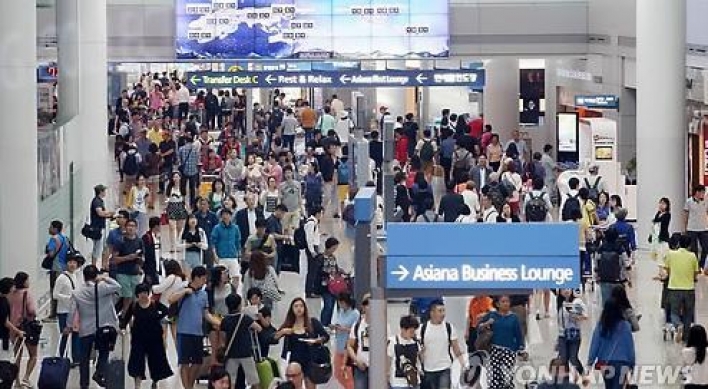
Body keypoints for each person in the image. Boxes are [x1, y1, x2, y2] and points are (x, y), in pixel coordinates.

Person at [67, 265, 122, 389]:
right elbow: (118, 286)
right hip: (103, 328)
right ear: (96, 276)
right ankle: (99, 372)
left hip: (85, 329)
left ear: (84, 276)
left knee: (84, 358)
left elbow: (72, 311)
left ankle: (84, 384)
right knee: (104, 352)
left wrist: (69, 326)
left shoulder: (77, 292)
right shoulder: (103, 288)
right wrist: (104, 278)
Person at [169, 266, 221, 389]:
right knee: (184, 363)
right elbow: (170, 299)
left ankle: (189, 385)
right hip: (184, 331)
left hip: (198, 333)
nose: (204, 281)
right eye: (203, 278)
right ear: (196, 277)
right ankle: (187, 387)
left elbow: (206, 314)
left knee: (198, 362)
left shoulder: (203, 294)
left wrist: (219, 323)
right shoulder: (183, 288)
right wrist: (184, 292)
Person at [122, 283, 173, 389]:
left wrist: (158, 317)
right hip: (138, 338)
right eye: (141, 293)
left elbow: (166, 311)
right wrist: (122, 328)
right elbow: (126, 318)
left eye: (145, 292)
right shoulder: (134, 305)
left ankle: (155, 381)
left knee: (156, 360)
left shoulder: (155, 304)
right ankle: (137, 384)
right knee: (137, 361)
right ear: (137, 294)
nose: (143, 295)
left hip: (154, 338)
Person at [275, 298, 330, 389]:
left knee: (311, 386)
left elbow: (326, 336)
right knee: (295, 386)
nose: (299, 308)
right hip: (295, 361)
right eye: (296, 306)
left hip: (310, 360)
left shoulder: (312, 322)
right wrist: (283, 332)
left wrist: (317, 341)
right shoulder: (289, 324)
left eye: (301, 306)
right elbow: (274, 338)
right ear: (292, 309)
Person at [478, 295, 526, 389]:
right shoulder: (492, 315)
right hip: (494, 351)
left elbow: (518, 334)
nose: (506, 304)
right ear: (497, 304)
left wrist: (520, 348)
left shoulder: (514, 318)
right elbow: (479, 328)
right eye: (503, 302)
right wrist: (487, 323)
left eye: (507, 301)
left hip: (509, 351)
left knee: (507, 378)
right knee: (495, 378)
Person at [587, 299, 635, 389]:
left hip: (605, 363)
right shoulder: (625, 326)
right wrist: (632, 363)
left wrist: (590, 362)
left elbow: (595, 344)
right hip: (622, 363)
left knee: (609, 386)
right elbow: (630, 346)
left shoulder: (601, 326)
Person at [417, 300, 464, 389]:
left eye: (444, 310)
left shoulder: (449, 327)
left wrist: (463, 365)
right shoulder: (422, 329)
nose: (443, 314)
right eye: (440, 311)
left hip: (445, 368)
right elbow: (418, 350)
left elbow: (456, 348)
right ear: (432, 313)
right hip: (428, 369)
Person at [221, 294, 263, 389]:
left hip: (231, 353)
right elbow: (259, 328)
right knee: (254, 380)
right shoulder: (245, 318)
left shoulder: (225, 320)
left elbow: (223, 337)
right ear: (240, 305)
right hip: (246, 353)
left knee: (231, 380)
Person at [664, 234, 700, 343]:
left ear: (679, 244)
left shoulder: (671, 254)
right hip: (689, 289)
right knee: (688, 313)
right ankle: (686, 337)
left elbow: (668, 271)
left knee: (674, 312)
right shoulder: (693, 256)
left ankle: (678, 325)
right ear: (689, 245)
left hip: (674, 288)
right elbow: (695, 274)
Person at [8, 273, 39, 388]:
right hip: (27, 329)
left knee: (17, 356)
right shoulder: (27, 294)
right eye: (28, 280)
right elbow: (32, 310)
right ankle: (26, 377)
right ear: (24, 282)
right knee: (33, 355)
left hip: (13, 328)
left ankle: (16, 382)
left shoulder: (11, 295)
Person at [53, 255, 81, 367]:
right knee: (64, 335)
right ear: (66, 263)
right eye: (70, 262)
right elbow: (55, 294)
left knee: (76, 334)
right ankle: (61, 357)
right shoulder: (61, 278)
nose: (72, 264)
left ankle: (75, 359)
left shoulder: (76, 276)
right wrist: (68, 297)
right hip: (63, 311)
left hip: (74, 311)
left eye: (74, 262)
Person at [113, 218, 145, 316]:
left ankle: (130, 317)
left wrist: (140, 264)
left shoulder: (139, 241)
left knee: (135, 297)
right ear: (125, 227)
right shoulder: (120, 241)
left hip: (135, 273)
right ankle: (123, 315)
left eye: (133, 226)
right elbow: (114, 259)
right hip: (122, 273)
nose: (130, 228)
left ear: (136, 228)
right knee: (127, 296)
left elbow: (142, 256)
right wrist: (128, 258)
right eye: (129, 226)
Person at [556, 289, 588, 384]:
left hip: (574, 334)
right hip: (562, 335)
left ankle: (582, 374)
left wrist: (576, 316)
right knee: (563, 358)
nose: (566, 291)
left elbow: (585, 316)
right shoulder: (560, 303)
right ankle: (565, 382)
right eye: (563, 289)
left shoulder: (577, 302)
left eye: (568, 288)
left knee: (573, 358)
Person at [388, 315, 421, 389]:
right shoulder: (393, 342)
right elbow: (388, 361)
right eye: (411, 332)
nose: (413, 334)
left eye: (414, 331)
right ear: (403, 329)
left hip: (414, 381)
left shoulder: (415, 342)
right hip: (398, 382)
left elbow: (419, 359)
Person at [333, 294, 359, 389]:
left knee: (348, 374)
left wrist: (344, 329)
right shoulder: (341, 312)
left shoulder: (355, 313)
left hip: (348, 347)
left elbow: (356, 330)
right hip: (339, 344)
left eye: (342, 302)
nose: (340, 305)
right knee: (337, 373)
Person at [212, 208, 242, 287]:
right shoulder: (217, 228)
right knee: (221, 278)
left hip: (233, 256)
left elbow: (238, 242)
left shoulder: (236, 228)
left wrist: (239, 255)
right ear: (221, 216)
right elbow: (213, 243)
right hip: (221, 257)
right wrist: (215, 255)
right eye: (223, 214)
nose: (225, 216)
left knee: (236, 276)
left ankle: (234, 294)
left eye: (227, 214)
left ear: (231, 216)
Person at [318, 237, 343, 327]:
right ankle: (323, 324)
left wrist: (340, 271)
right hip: (325, 286)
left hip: (333, 286)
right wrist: (328, 274)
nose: (335, 250)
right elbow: (318, 271)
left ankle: (327, 324)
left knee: (332, 305)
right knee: (328, 305)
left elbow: (335, 268)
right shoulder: (321, 258)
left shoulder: (333, 257)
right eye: (334, 248)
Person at [89, 184, 114, 266]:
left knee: (104, 246)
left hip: (101, 227)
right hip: (97, 228)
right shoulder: (97, 202)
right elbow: (100, 213)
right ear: (100, 192)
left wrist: (109, 215)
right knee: (97, 248)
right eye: (104, 191)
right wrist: (109, 213)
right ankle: (94, 266)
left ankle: (103, 265)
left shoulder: (100, 201)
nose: (105, 193)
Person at [685, 185, 708, 269]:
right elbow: (686, 215)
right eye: (702, 192)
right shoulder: (689, 201)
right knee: (693, 249)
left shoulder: (706, 201)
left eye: (704, 192)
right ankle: (695, 267)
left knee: (705, 248)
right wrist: (685, 227)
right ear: (697, 192)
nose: (703, 194)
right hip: (692, 228)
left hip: (704, 228)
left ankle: (701, 265)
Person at [304, 207, 323, 298]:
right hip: (312, 249)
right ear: (317, 213)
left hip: (314, 248)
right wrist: (312, 251)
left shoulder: (314, 222)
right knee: (312, 271)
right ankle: (309, 291)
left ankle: (311, 290)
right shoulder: (311, 223)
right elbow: (309, 238)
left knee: (314, 270)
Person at [178, 135, 201, 208]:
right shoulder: (195, 149)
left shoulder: (181, 149)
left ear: (185, 141)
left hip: (184, 171)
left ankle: (183, 202)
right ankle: (192, 204)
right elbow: (198, 160)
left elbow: (179, 160)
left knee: (183, 187)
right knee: (192, 189)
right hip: (193, 171)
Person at [142, 216, 162, 285]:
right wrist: (147, 272)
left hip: (155, 268)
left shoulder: (157, 237)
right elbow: (147, 255)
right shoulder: (147, 237)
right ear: (156, 226)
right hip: (150, 269)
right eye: (160, 225)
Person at [651, 197, 672, 262]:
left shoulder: (667, 214)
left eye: (663, 203)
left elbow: (662, 222)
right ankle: (660, 270)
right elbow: (655, 220)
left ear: (667, 205)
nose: (661, 205)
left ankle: (664, 269)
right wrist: (658, 212)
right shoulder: (659, 213)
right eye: (660, 203)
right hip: (657, 236)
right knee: (658, 254)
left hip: (663, 236)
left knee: (664, 254)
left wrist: (656, 220)